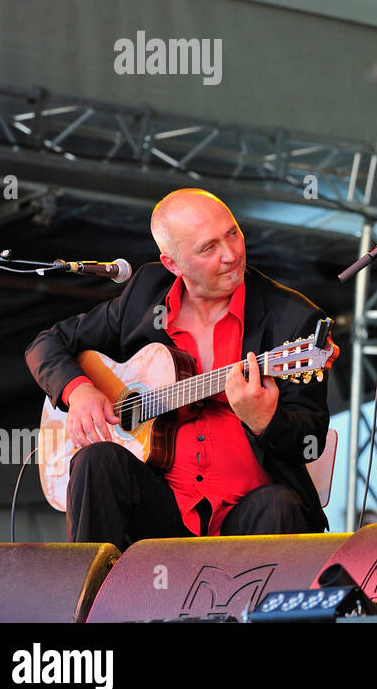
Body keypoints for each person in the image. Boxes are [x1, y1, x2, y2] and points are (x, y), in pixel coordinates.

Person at [26, 188, 331, 549]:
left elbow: (309, 440)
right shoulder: (145, 294)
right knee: (96, 460)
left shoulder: (293, 319)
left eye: (233, 233)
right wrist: (79, 390)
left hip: (249, 517)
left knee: (279, 506)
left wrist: (265, 420)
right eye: (208, 248)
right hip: (158, 511)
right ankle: (88, 602)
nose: (231, 255)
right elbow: (46, 344)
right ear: (172, 263)